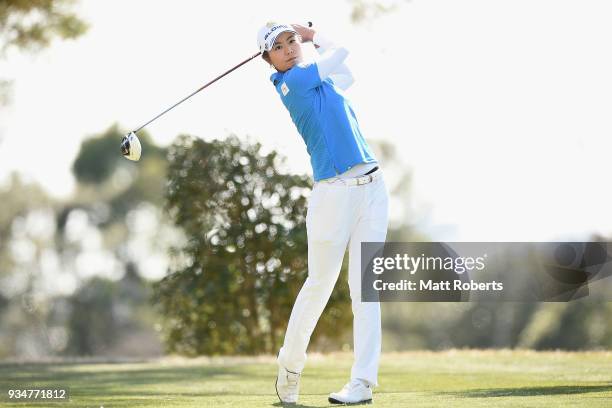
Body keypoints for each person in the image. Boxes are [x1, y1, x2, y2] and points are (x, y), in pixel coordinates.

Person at [256, 22, 389, 405]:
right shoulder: (291, 84)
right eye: (278, 46)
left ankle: (362, 384)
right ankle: (290, 369)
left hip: (373, 189)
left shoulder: (323, 83)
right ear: (269, 60)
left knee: (367, 290)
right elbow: (343, 50)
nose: (289, 48)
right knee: (320, 285)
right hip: (333, 195)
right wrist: (314, 33)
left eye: (292, 40)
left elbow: (346, 72)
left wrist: (310, 38)